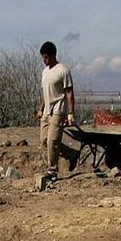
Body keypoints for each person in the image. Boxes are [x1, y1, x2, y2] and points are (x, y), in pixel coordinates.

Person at [38, 41, 80, 178]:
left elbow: (69, 92)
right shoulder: (45, 72)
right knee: (44, 140)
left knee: (53, 141)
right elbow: (45, 92)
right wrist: (41, 108)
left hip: (58, 109)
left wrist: (70, 112)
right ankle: (72, 154)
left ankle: (52, 170)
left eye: (46, 57)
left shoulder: (63, 71)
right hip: (47, 111)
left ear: (53, 55)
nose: (44, 60)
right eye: (43, 58)